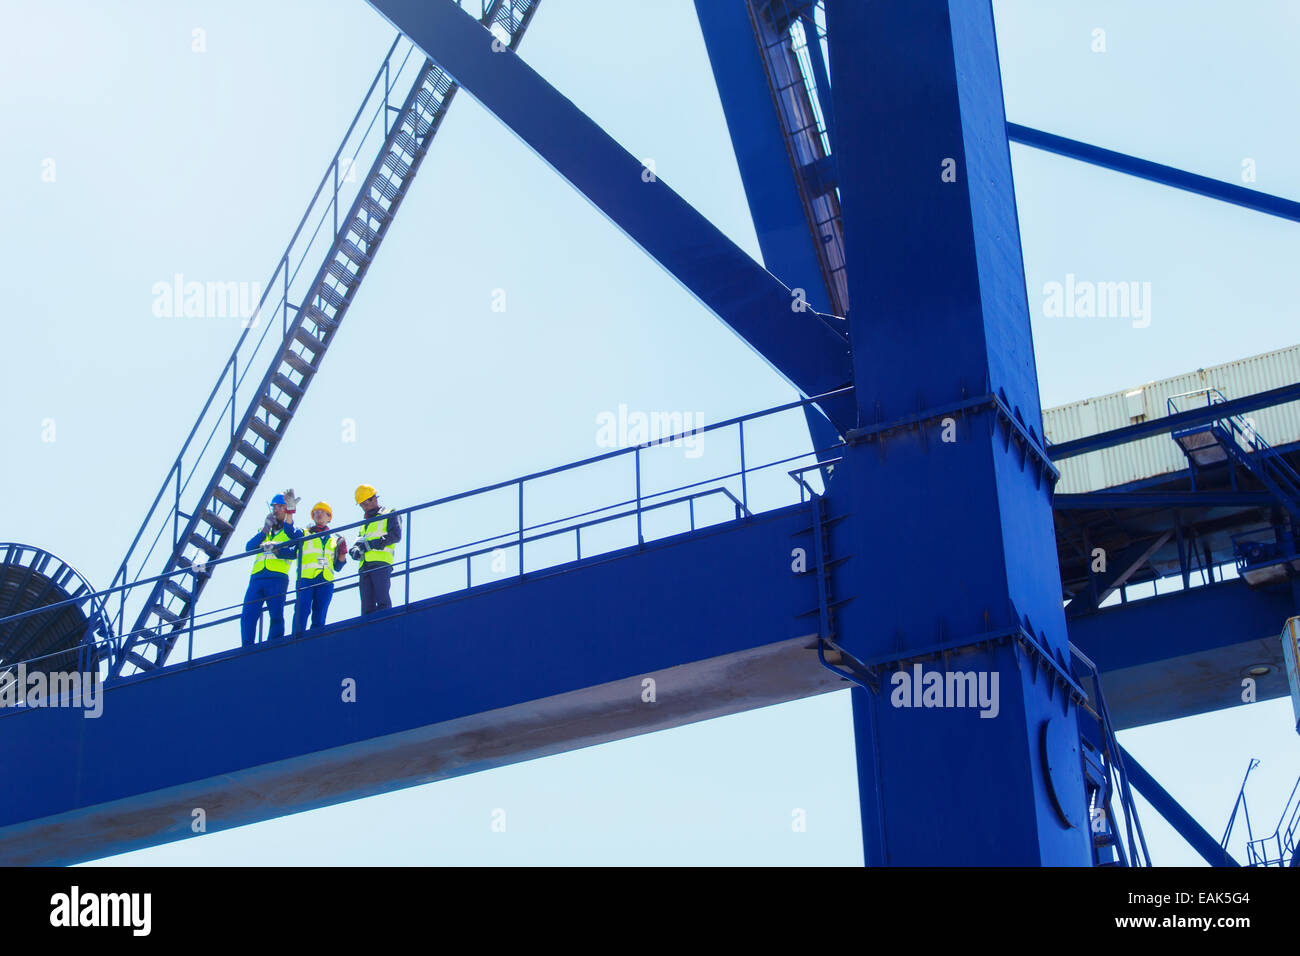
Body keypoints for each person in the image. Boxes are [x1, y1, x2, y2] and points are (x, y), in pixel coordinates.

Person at [240, 493, 303, 647]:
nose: (277, 510)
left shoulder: (293, 532)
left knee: (276, 613)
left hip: (277, 577)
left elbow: (295, 553)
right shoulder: (265, 532)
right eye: (275, 507)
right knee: (248, 614)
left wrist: (277, 550)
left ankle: (274, 644)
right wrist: (265, 529)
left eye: (280, 507)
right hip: (257, 577)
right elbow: (249, 547)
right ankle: (247, 647)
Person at [292, 501, 348, 637]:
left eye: (323, 512)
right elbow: (290, 531)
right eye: (316, 512)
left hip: (326, 580)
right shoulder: (304, 533)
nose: (319, 514)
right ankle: (296, 638)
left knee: (320, 612)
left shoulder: (335, 538)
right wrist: (290, 511)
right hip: (306, 578)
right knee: (302, 609)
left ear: (329, 517)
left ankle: (315, 638)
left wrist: (342, 553)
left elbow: (338, 567)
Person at [351, 484, 401, 615]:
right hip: (365, 566)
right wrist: (355, 550)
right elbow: (358, 541)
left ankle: (385, 626)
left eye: (365, 503)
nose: (364, 507)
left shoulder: (390, 514)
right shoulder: (365, 523)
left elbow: (395, 536)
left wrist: (371, 544)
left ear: (374, 499)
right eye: (361, 505)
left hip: (380, 563)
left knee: (382, 600)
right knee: (367, 607)